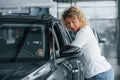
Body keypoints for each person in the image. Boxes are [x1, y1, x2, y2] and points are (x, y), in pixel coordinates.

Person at [61, 6, 114, 80]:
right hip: (100, 72)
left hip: (100, 74)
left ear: (80, 19)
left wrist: (53, 53)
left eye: (73, 22)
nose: (71, 25)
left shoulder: (83, 32)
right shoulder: (86, 29)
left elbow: (71, 49)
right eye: (68, 23)